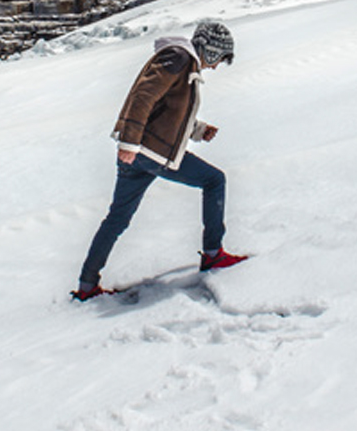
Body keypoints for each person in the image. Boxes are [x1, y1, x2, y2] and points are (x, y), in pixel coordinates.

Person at [72, 20, 246, 301]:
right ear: (211, 51)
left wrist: (199, 130)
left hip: (142, 154)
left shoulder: (182, 62)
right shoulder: (178, 57)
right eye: (219, 60)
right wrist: (130, 142)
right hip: (151, 153)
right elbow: (144, 95)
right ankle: (213, 254)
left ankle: (87, 285)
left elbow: (167, 112)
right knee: (215, 180)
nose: (215, 67)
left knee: (117, 218)